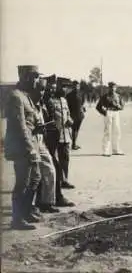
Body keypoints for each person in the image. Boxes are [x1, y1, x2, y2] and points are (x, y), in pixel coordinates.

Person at [4, 65, 44, 230]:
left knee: (35, 178)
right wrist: (30, 149)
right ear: (26, 77)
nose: (37, 80)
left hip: (30, 143)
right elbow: (19, 126)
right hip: (23, 148)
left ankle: (26, 211)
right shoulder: (16, 97)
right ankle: (17, 219)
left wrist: (37, 127)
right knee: (22, 183)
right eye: (34, 77)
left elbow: (28, 123)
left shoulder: (25, 96)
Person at [42, 76, 76, 207]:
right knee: (54, 161)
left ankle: (64, 180)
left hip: (65, 133)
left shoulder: (64, 100)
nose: (65, 89)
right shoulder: (50, 100)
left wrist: (70, 120)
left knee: (65, 158)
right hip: (54, 135)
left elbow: (67, 114)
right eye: (63, 87)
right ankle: (56, 186)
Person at [31, 78, 60, 214]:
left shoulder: (40, 104)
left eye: (43, 90)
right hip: (30, 141)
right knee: (32, 176)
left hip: (41, 141)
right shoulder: (27, 103)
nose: (42, 93)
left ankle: (47, 202)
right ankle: (29, 207)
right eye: (40, 89)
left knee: (50, 170)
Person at [96, 82, 125, 156]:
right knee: (107, 131)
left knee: (117, 131)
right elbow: (98, 107)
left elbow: (122, 106)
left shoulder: (118, 96)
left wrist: (119, 106)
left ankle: (116, 149)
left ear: (116, 88)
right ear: (108, 88)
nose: (112, 89)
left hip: (116, 113)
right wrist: (104, 112)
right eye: (111, 87)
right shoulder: (104, 97)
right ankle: (105, 150)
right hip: (108, 112)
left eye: (114, 87)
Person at [66, 80, 86, 150]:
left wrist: (82, 108)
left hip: (79, 114)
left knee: (76, 129)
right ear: (72, 86)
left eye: (77, 86)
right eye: (75, 86)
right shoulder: (69, 95)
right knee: (74, 129)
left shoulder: (81, 94)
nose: (76, 87)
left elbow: (82, 103)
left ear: (79, 86)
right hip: (74, 114)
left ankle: (74, 144)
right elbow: (68, 105)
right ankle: (73, 144)